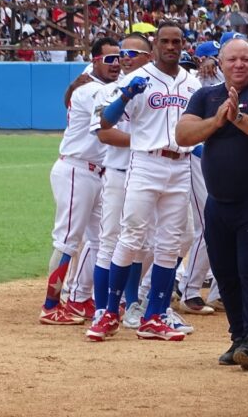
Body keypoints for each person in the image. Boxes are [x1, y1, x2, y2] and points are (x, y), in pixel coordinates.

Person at [88, 21, 202, 342]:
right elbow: (106, 122)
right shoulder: (140, 78)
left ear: (183, 45)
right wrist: (124, 97)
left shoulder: (192, 83)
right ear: (155, 47)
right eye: (164, 41)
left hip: (181, 165)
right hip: (146, 162)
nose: (170, 47)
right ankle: (110, 311)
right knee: (131, 237)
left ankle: (155, 315)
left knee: (169, 242)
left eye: (176, 41)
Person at [176, 37, 248, 370]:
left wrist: (237, 118)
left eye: (246, 60)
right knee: (225, 273)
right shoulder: (206, 96)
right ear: (220, 63)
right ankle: (238, 336)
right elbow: (183, 135)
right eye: (232, 60)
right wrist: (218, 119)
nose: (239, 65)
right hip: (217, 204)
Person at [39, 37, 121, 325]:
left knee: (102, 239)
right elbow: (110, 115)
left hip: (96, 173)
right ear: (96, 60)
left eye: (118, 58)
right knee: (67, 239)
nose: (116, 64)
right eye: (109, 59)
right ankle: (50, 306)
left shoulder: (93, 81)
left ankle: (80, 299)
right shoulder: (91, 90)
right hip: (76, 170)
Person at [88, 34, 154, 330]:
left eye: (132, 52)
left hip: (148, 173)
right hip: (118, 173)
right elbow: (104, 133)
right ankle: (102, 309)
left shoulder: (158, 88)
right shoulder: (109, 91)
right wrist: (148, 141)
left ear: (148, 57)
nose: (124, 58)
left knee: (140, 244)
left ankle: (132, 305)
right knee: (110, 242)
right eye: (121, 53)